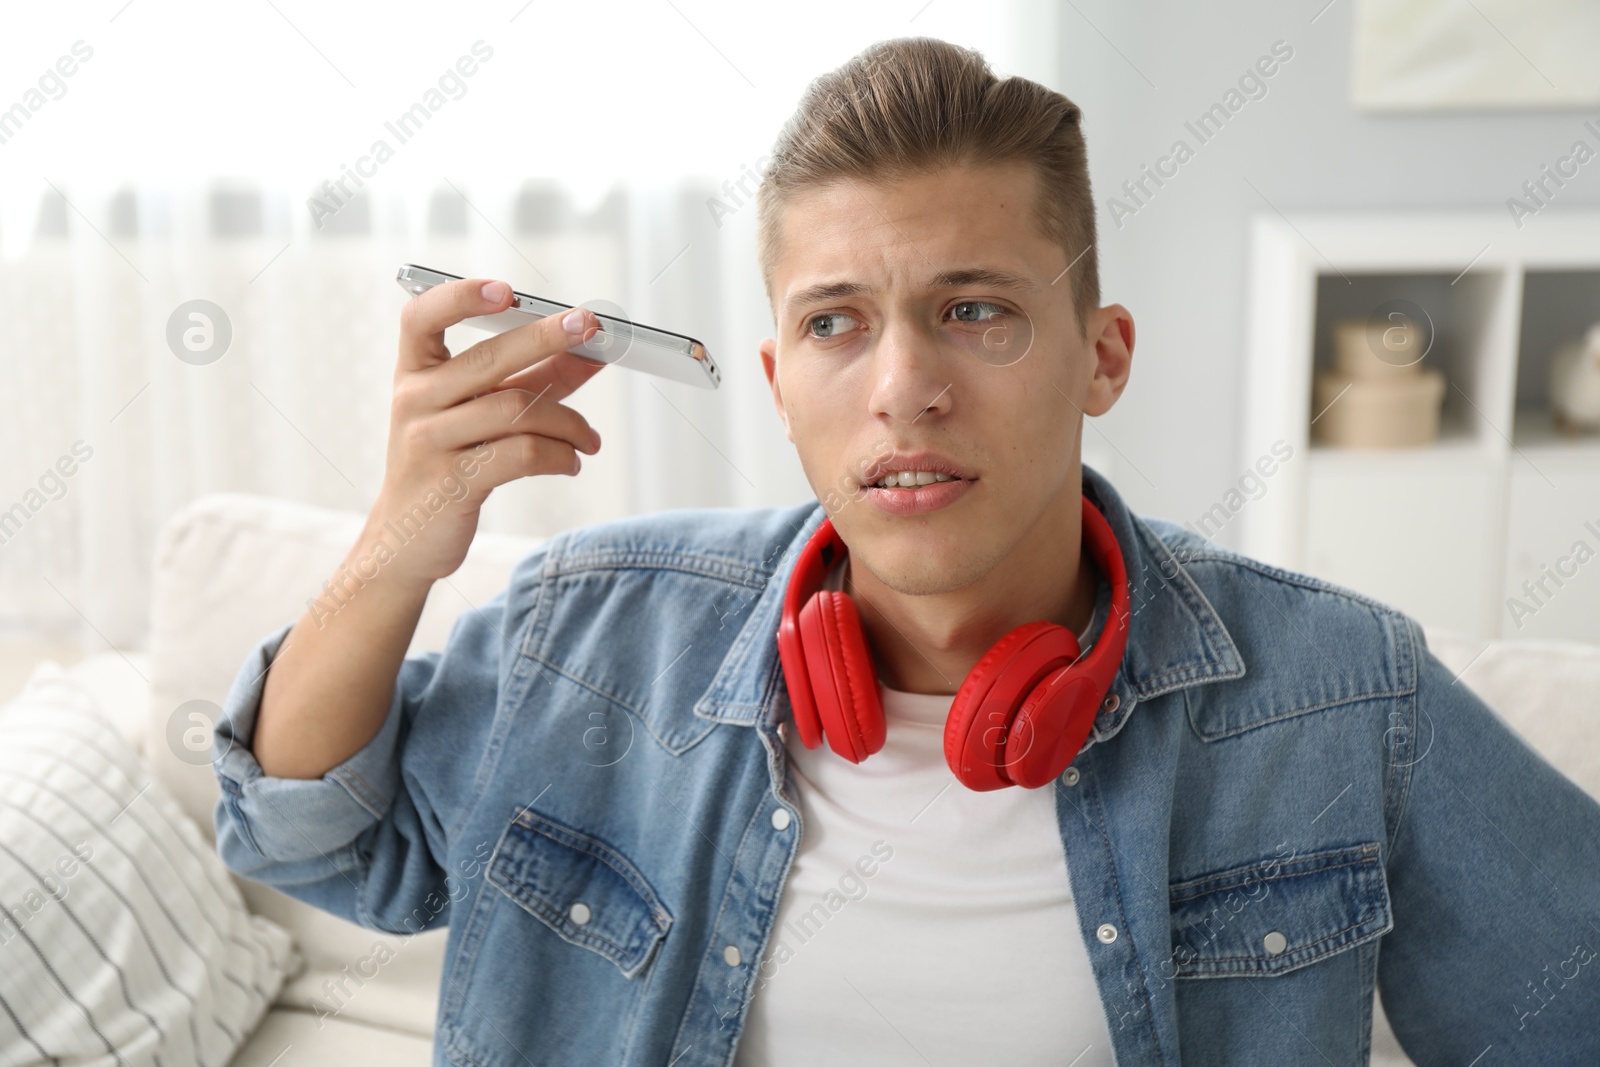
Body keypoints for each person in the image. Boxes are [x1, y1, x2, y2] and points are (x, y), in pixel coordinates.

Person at [212, 35, 1600, 1066]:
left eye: (976, 309)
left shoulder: (1343, 694)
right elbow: (308, 839)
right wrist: (397, 546)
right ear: (774, 374)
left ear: (1100, 355)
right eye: (835, 323)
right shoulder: (588, 636)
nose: (902, 388)